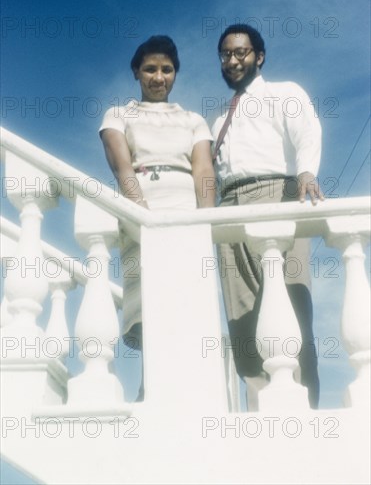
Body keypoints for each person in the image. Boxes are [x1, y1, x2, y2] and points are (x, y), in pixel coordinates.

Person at [212, 24, 324, 410]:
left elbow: (307, 132)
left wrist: (307, 172)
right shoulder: (218, 122)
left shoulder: (284, 93)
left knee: (291, 306)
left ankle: (304, 410)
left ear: (259, 56)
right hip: (229, 207)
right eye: (226, 54)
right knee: (242, 316)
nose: (232, 60)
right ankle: (260, 413)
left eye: (240, 52)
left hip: (276, 192)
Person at [99, 35, 215, 399]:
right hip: (142, 212)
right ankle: (152, 391)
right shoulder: (118, 115)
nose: (158, 77)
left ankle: (189, 391)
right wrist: (143, 217)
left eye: (166, 69)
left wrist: (206, 223)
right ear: (137, 72)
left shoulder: (193, 119)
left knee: (189, 305)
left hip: (186, 216)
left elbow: (204, 172)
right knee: (152, 308)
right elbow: (122, 168)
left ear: (175, 74)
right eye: (150, 69)